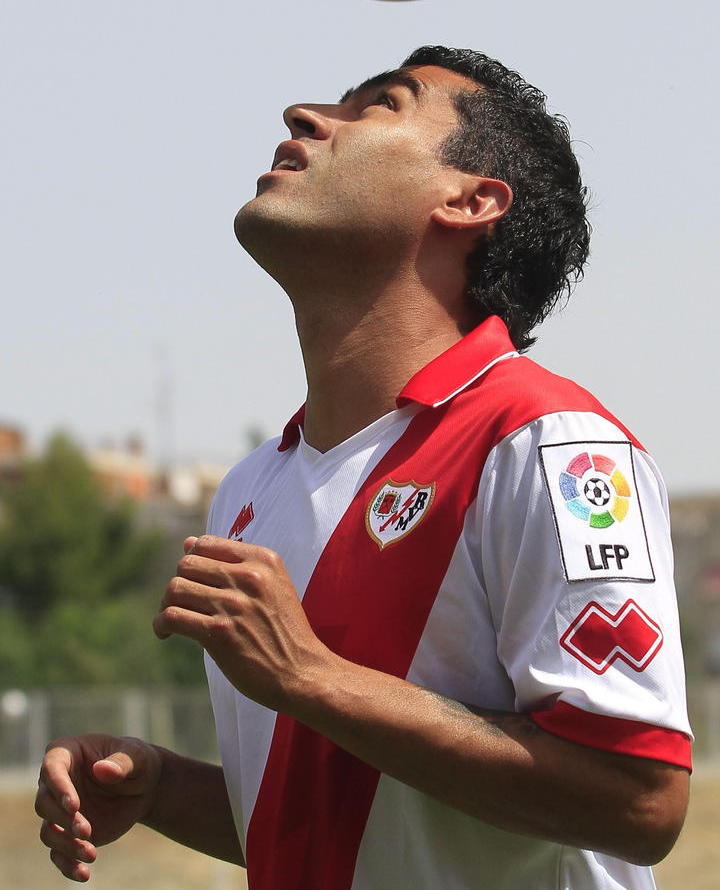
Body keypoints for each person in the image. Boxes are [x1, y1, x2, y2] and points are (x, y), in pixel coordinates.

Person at [36, 46, 691, 889]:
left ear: (471, 199)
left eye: (379, 105)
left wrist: (311, 677)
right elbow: (374, 824)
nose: (305, 117)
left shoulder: (553, 446)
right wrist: (163, 785)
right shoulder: (248, 490)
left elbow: (638, 802)